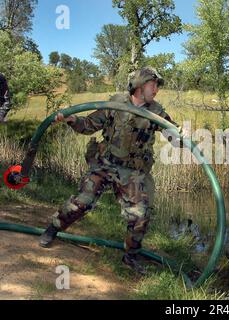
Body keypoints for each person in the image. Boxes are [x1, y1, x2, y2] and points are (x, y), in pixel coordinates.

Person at [39, 67, 182, 275]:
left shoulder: (157, 112)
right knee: (82, 202)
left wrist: (181, 134)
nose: (156, 90)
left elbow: (175, 138)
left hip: (131, 172)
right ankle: (53, 229)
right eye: (153, 84)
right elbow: (88, 125)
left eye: (158, 86)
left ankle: (130, 257)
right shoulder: (115, 103)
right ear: (140, 85)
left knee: (140, 215)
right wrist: (71, 120)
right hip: (104, 164)